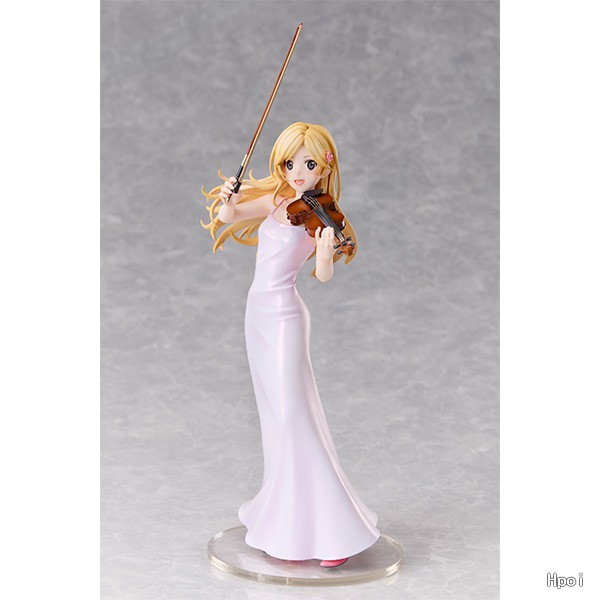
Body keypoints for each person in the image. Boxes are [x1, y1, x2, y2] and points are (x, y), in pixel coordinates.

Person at [202, 122, 379, 567]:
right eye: (289, 163)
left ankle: (333, 531)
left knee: (295, 415)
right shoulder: (280, 201)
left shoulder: (319, 218)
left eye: (310, 163)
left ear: (326, 166)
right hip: (256, 315)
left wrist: (325, 252)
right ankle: (287, 520)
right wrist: (228, 198)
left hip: (284, 317)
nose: (299, 172)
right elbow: (229, 217)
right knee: (274, 417)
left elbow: (323, 275)